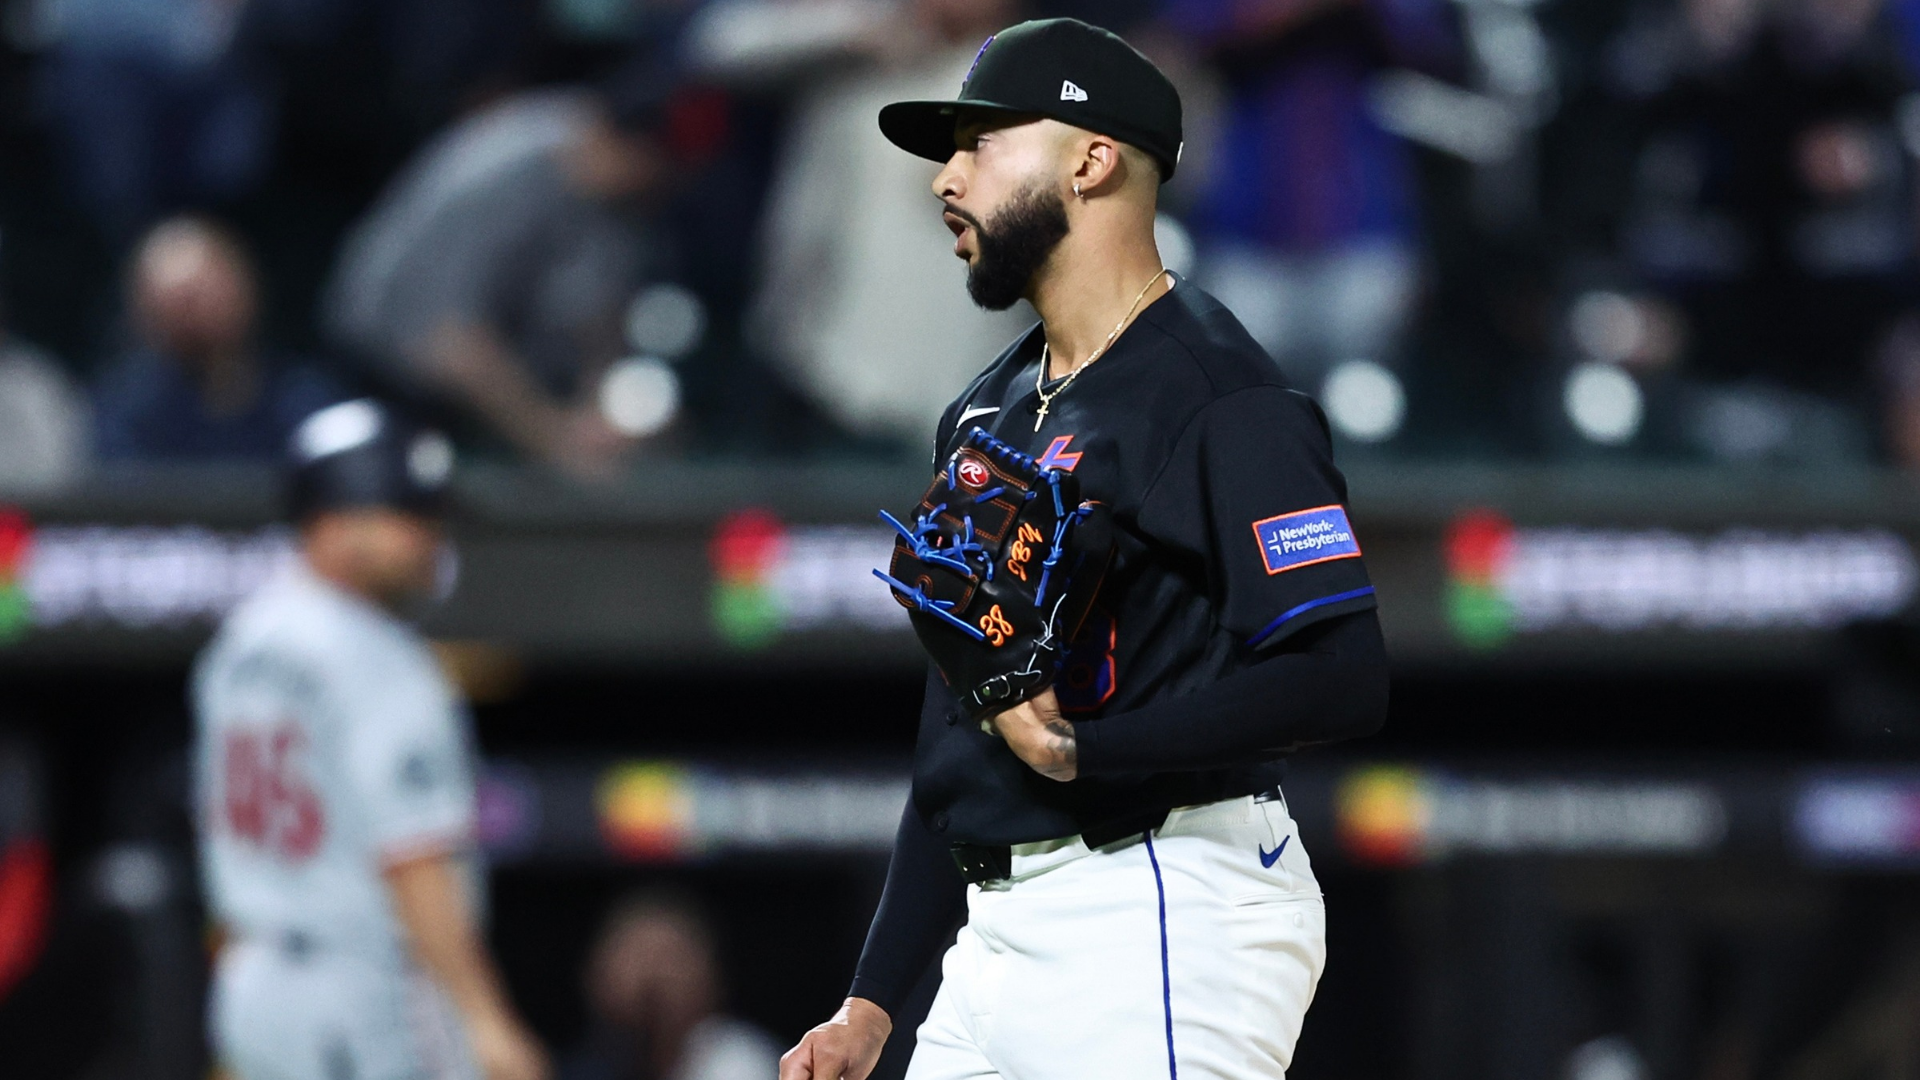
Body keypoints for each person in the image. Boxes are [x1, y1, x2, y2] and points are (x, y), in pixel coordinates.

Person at [780, 19, 1390, 1080]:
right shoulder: (990, 407)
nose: (945, 179)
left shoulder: (1218, 395)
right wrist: (873, 1001)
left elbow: (1341, 677)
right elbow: (966, 727)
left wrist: (1086, 753)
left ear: (1091, 159)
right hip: (998, 928)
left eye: (980, 144)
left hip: (1164, 897)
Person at [192, 399, 550, 1080]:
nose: (432, 542)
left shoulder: (240, 642)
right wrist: (486, 1018)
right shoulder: (377, 657)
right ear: (337, 520)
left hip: (252, 985)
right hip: (360, 988)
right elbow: (412, 856)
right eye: (411, 518)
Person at [700, 0, 1036, 445]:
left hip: (953, 375)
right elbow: (718, 45)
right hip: (809, 356)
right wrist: (855, 30)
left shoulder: (1028, 84)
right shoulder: (860, 51)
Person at [323, 83, 677, 476]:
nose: (661, 178)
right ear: (607, 137)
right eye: (653, 160)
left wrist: (600, 412)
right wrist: (557, 441)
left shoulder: (610, 197)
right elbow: (449, 344)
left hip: (497, 385)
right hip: (377, 380)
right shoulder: (508, 172)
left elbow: (598, 319)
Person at [93, 217, 341, 462]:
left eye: (198, 296)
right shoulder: (126, 412)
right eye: (175, 301)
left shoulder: (304, 397)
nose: (190, 315)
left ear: (244, 287)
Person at [562, 891, 781, 1080]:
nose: (650, 979)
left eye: (669, 959)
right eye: (637, 957)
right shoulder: (590, 1066)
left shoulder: (739, 1064)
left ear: (710, 977)